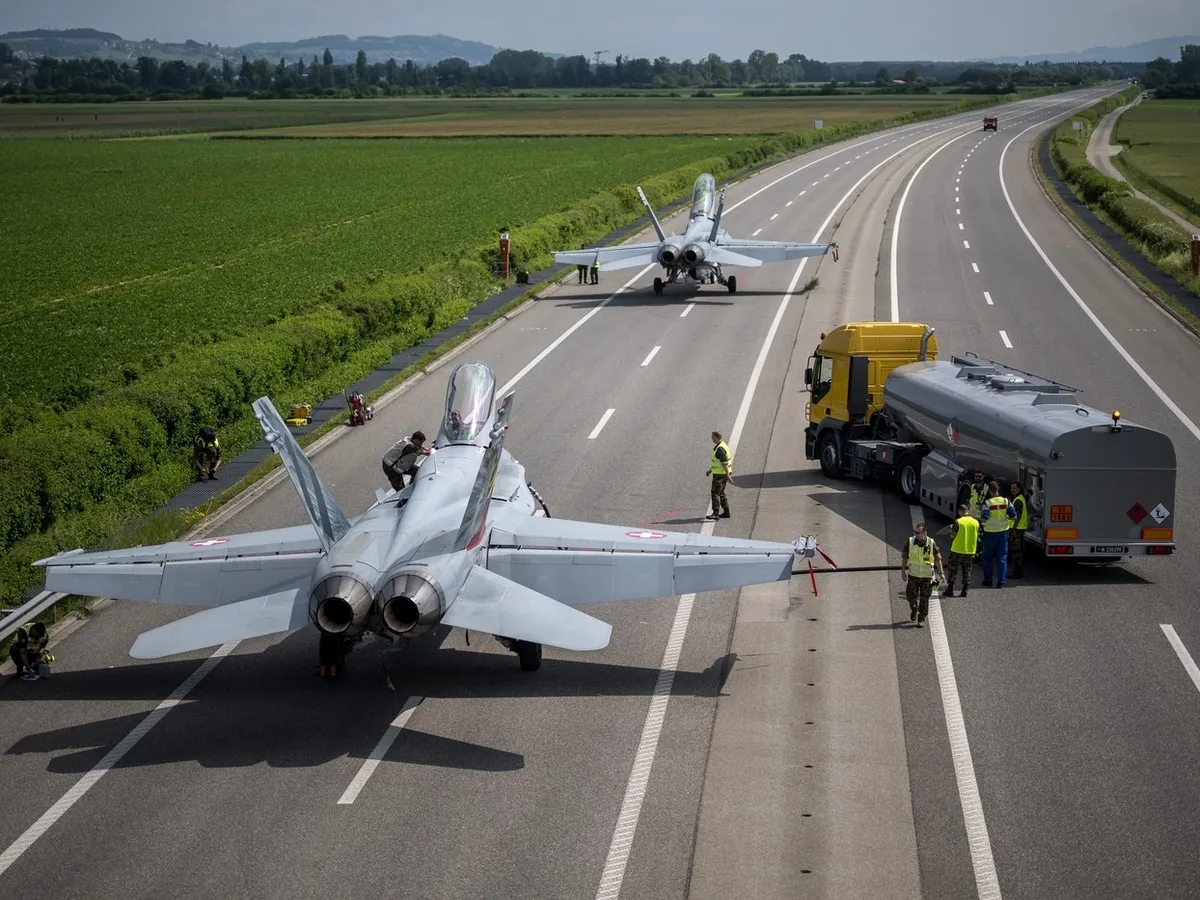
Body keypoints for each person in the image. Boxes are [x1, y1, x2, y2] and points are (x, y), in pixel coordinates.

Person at [901, 521, 944, 627]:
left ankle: (921, 618)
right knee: (911, 597)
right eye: (914, 532)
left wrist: (941, 573)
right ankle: (914, 609)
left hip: (926, 577)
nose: (915, 534)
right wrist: (903, 571)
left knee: (924, 599)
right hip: (913, 576)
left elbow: (938, 559)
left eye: (918, 532)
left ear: (924, 532)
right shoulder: (910, 541)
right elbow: (904, 557)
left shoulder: (931, 542)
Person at [980, 481, 1017, 587]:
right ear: (998, 489)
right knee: (1002, 557)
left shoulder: (988, 503)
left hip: (990, 533)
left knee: (988, 558)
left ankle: (988, 580)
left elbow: (985, 518)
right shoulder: (1006, 501)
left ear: (990, 491)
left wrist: (980, 517)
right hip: (1003, 532)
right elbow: (1013, 516)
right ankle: (1001, 581)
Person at [941, 503, 979, 598]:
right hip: (970, 550)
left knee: (953, 569)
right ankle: (964, 590)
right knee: (967, 570)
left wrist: (950, 532)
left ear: (960, 511)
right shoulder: (976, 522)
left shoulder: (958, 522)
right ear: (968, 511)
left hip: (957, 549)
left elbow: (953, 535)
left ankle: (950, 589)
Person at [706, 430, 733, 520]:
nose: (712, 439)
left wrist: (727, 476)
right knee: (721, 493)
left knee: (715, 493)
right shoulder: (721, 446)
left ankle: (715, 513)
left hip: (720, 475)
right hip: (721, 473)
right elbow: (717, 462)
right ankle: (726, 512)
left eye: (713, 437)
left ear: (717, 438)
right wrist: (710, 470)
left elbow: (724, 463)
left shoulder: (720, 449)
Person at [1008, 482, 1028, 578]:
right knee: (1018, 550)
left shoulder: (1018, 501)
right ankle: (1018, 570)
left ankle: (1018, 571)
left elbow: (1017, 516)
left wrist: (1013, 528)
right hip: (1020, 528)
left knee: (1016, 551)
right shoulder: (1018, 499)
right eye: (1011, 488)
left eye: (1014, 488)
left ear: (1019, 489)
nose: (1012, 490)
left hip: (1017, 529)